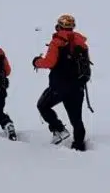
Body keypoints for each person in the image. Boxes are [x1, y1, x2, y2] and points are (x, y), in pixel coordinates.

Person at [33, 14, 91, 151]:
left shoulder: (57, 41)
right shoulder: (81, 43)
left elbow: (49, 62)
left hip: (59, 86)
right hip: (77, 87)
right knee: (76, 118)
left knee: (43, 105)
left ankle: (59, 129)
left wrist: (36, 62)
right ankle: (79, 146)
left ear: (59, 25)